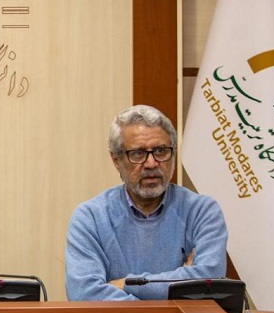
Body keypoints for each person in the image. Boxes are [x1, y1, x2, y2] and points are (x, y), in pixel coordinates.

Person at [65, 104, 227, 301]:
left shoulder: (202, 212)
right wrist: (178, 286)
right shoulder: (90, 218)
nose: (151, 163)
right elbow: (84, 294)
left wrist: (125, 284)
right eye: (138, 153)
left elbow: (207, 283)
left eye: (161, 151)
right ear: (116, 160)